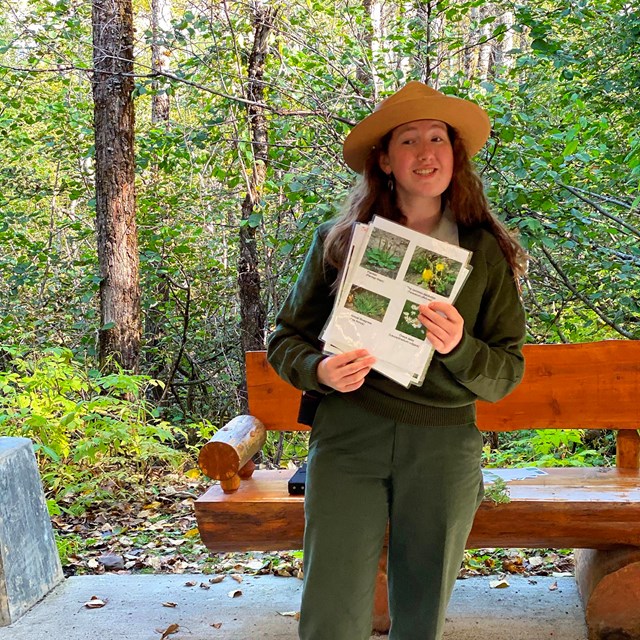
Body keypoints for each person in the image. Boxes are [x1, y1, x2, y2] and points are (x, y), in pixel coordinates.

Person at [266, 81, 527, 640]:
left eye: (438, 138)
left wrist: (460, 347)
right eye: (409, 140)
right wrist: (319, 371)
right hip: (348, 435)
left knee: (423, 607)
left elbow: (506, 372)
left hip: (442, 443)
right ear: (384, 159)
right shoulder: (341, 240)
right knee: (331, 607)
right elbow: (287, 340)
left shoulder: (484, 252)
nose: (425, 152)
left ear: (455, 156)